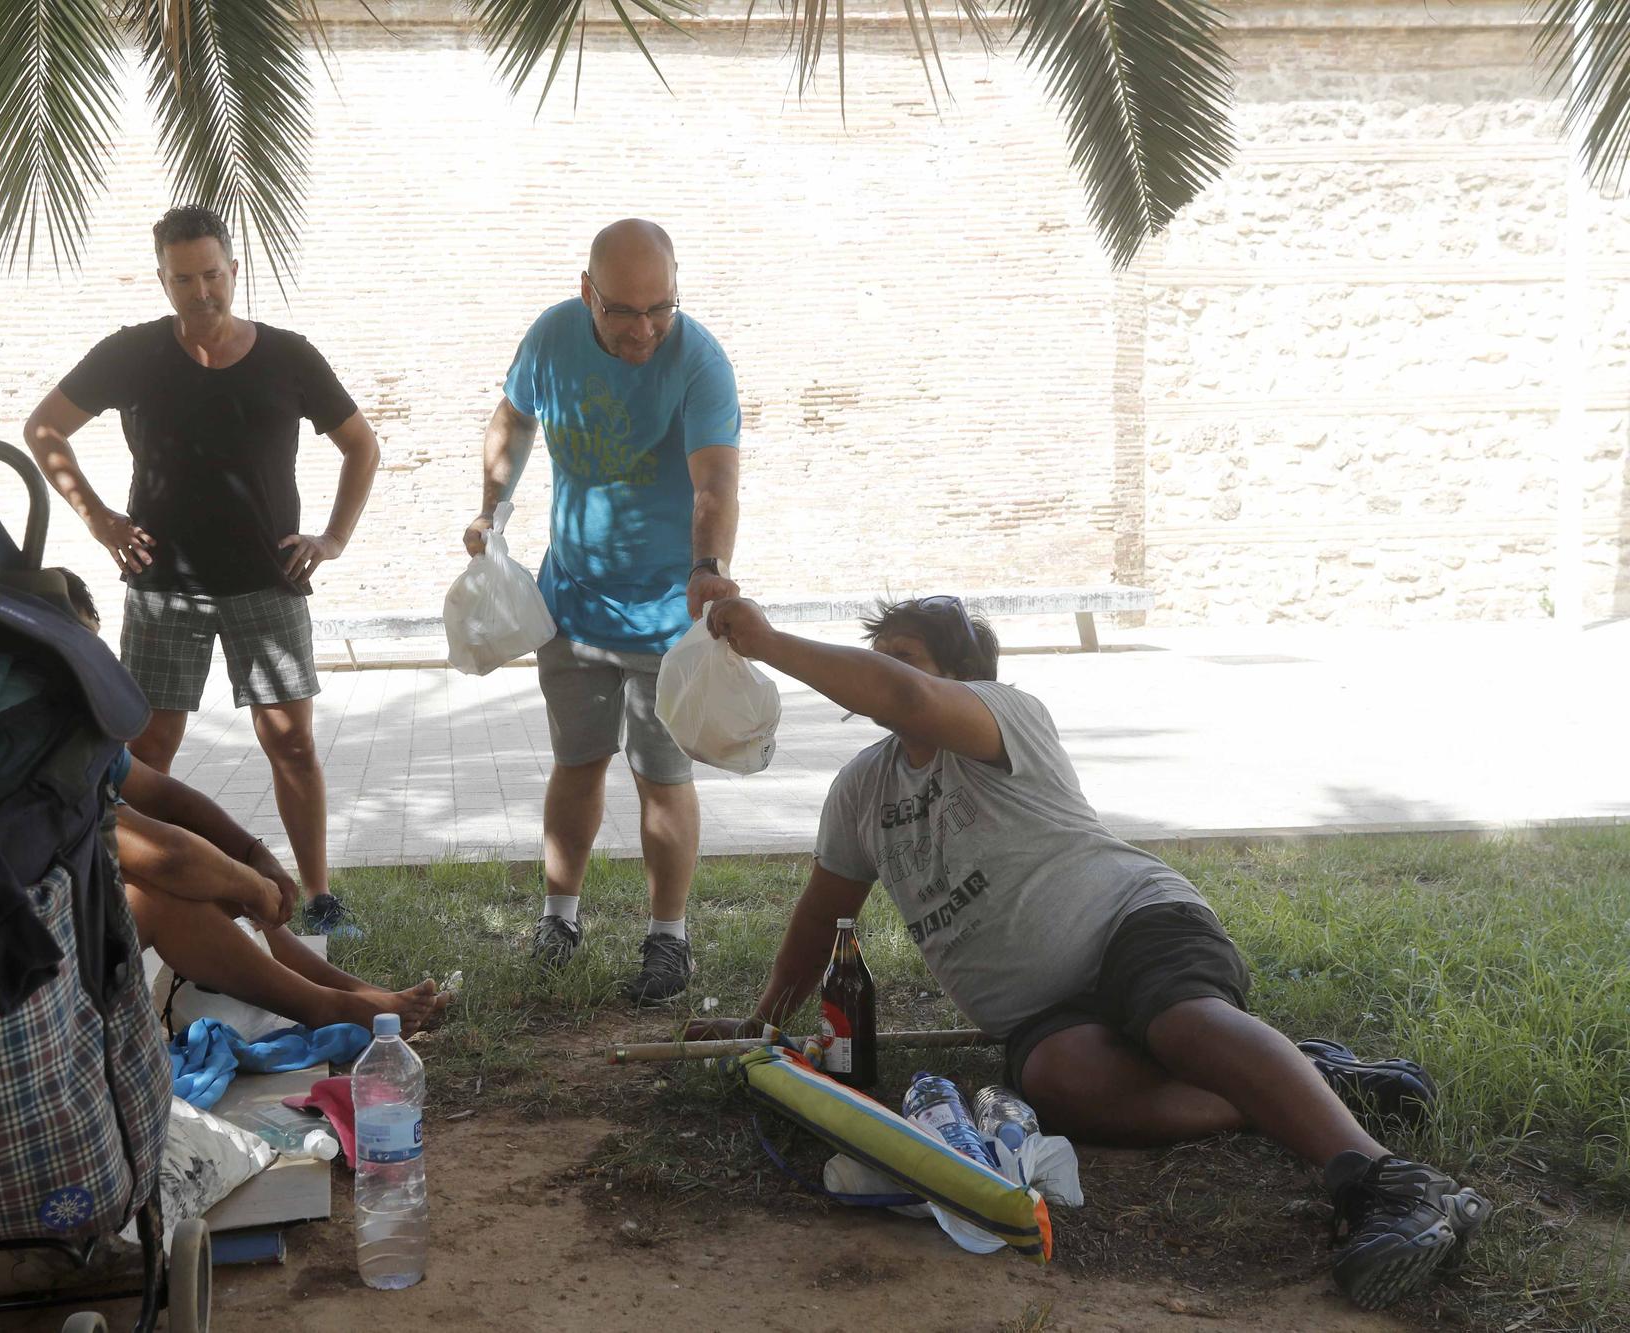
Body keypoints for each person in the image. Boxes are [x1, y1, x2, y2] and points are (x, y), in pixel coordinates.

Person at [688, 595, 1489, 1312]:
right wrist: (762, 1026)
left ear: (963, 676)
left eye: (901, 654)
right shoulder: (862, 789)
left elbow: (904, 697)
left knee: (1181, 1025)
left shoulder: (1005, 715)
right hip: (1043, 1012)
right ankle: (1298, 1080)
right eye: (879, 652)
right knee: (1060, 1085)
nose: (879, 672)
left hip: (1133, 922)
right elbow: (823, 916)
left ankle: (1389, 1181)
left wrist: (767, 641)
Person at [23, 204, 376, 940]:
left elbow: (360, 446)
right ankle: (140, 890)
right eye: (183, 279)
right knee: (146, 752)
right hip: (163, 587)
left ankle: (320, 900)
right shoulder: (131, 354)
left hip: (268, 579)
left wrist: (334, 538)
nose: (201, 291)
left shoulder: (288, 355)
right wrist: (99, 520)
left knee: (294, 745)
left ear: (233, 271)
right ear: (163, 280)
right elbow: (43, 427)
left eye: (212, 275)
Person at [464, 219, 742, 1005]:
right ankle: (559, 918)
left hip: (667, 611)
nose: (645, 328)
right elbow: (513, 419)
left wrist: (708, 568)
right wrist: (493, 508)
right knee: (576, 762)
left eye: (661, 307)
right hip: (575, 600)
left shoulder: (699, 359)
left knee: (663, 774)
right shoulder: (553, 337)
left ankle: (668, 938)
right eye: (623, 311)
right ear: (588, 292)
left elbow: (715, 479)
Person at [58, 571, 447, 1034]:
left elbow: (168, 798)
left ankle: (340, 989)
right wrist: (250, 885)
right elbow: (168, 856)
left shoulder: (63, 727)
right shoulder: (32, 743)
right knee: (166, 893)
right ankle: (325, 1005)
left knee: (207, 873)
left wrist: (252, 855)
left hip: (55, 923)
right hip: (20, 957)